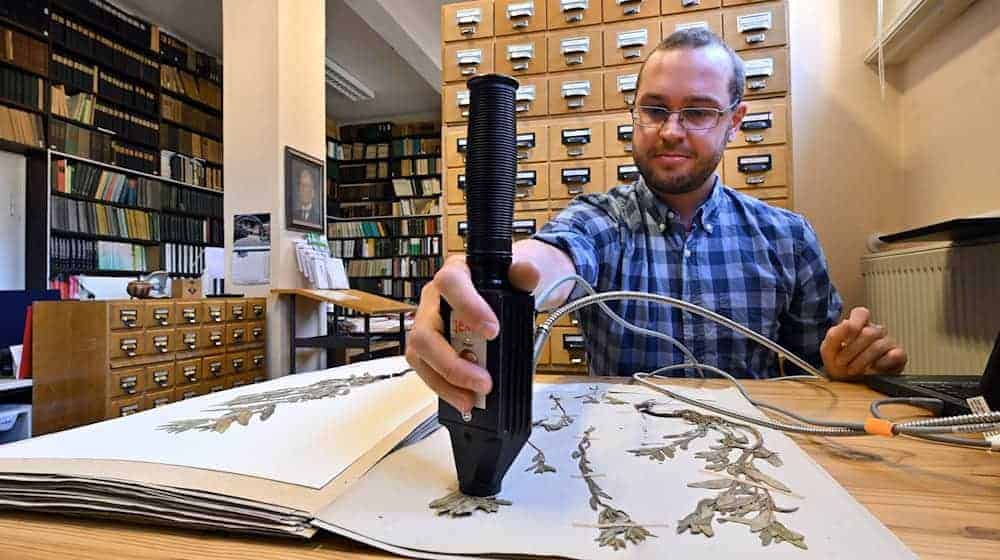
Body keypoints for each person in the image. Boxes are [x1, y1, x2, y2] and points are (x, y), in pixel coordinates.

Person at [406, 29, 908, 415]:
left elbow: (815, 372)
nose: (671, 131)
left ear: (735, 122)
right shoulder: (601, 218)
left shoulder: (789, 238)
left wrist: (841, 368)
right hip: (622, 460)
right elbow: (549, 259)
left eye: (698, 112)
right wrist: (481, 283)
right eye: (655, 109)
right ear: (634, 113)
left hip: (753, 458)